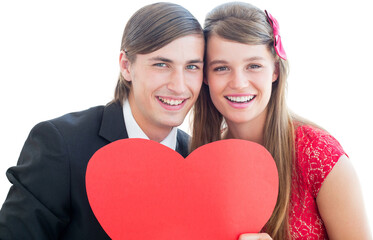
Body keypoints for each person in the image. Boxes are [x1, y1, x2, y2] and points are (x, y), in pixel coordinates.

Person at [0, 2, 204, 239]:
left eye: (191, 67)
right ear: (126, 66)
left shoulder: (196, 161)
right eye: (161, 64)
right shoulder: (60, 145)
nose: (178, 86)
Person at [191, 2, 371, 239]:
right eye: (222, 68)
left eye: (254, 66)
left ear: (275, 70)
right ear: (205, 76)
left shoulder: (319, 156)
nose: (239, 82)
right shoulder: (201, 159)